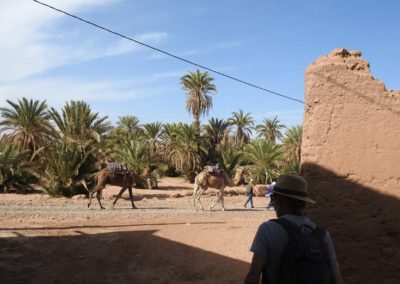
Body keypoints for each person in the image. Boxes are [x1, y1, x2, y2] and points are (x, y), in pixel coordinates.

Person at [244, 175, 343, 284]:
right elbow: (336, 278)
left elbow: (253, 276)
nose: (273, 204)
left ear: (281, 202)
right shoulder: (323, 235)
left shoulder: (268, 229)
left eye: (273, 199)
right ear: (304, 205)